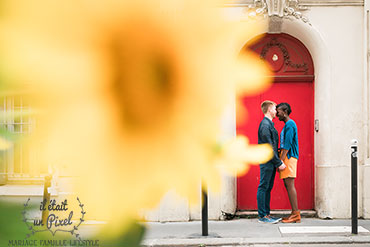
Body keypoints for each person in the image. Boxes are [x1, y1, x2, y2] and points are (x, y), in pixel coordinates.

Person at [257, 100, 286, 223]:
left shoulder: (268, 124)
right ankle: (263, 216)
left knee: (267, 187)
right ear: (269, 110)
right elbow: (269, 147)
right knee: (264, 186)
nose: (276, 111)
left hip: (270, 161)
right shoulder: (265, 125)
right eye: (275, 109)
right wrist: (279, 163)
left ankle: (267, 214)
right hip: (267, 161)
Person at [276, 102, 300, 223]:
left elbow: (288, 144)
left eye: (278, 111)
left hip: (289, 157)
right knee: (287, 185)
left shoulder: (290, 124)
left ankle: (296, 214)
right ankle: (293, 213)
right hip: (287, 157)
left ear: (284, 111)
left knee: (290, 185)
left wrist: (281, 161)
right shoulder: (287, 124)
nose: (276, 114)